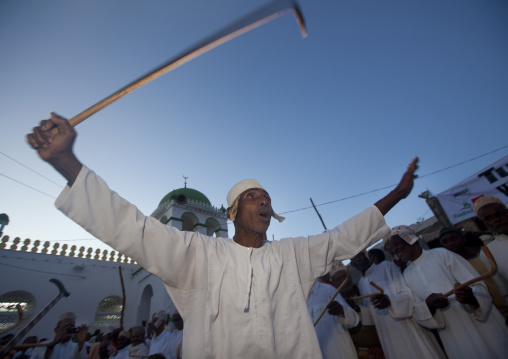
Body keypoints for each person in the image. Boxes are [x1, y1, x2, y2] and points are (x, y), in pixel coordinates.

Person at [27, 113, 418, 359]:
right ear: (231, 213)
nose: (263, 201)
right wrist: (66, 161)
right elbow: (133, 229)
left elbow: (345, 237)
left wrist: (398, 195)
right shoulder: (197, 254)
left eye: (266, 197)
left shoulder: (294, 254)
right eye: (252, 197)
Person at [390, 225, 508, 358]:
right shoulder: (407, 273)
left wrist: (470, 297)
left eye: (397, 244)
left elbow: (478, 285)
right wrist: (429, 305)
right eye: (392, 248)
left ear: (412, 240)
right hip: (453, 335)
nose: (395, 250)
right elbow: (416, 308)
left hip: (480, 325)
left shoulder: (441, 254)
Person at [350, 251, 445, 359]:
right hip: (388, 336)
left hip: (406, 327)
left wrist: (390, 301)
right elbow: (373, 315)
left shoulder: (386, 266)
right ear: (351, 263)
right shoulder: (361, 283)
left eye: (359, 255)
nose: (357, 259)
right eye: (353, 258)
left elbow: (408, 296)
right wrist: (358, 308)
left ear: (365, 254)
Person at [439, 227, 508, 319]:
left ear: (463, 238)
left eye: (454, 238)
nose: (451, 244)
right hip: (492, 314)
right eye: (445, 242)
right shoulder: (453, 270)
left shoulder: (485, 254)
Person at [307, 275, 359, 359]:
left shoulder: (329, 290)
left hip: (339, 354)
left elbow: (353, 321)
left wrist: (342, 311)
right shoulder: (296, 300)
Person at [473, 195, 508, 320]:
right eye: (489, 218)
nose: (496, 220)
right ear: (485, 223)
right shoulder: (488, 252)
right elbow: (503, 290)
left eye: (499, 214)